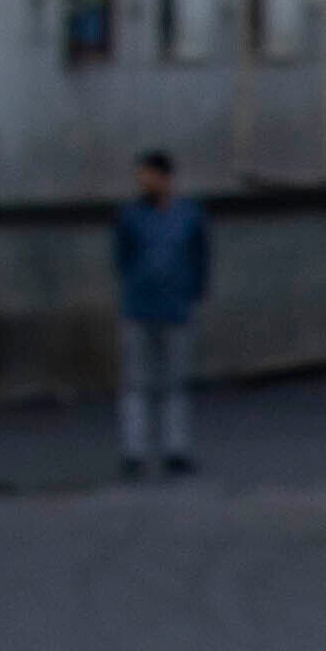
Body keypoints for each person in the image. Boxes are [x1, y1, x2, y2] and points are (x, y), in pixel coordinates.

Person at [110, 152, 211, 480]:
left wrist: (192, 293)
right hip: (139, 308)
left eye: (149, 176)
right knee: (137, 383)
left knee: (174, 383)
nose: (144, 182)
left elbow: (200, 257)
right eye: (142, 176)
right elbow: (122, 259)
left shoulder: (189, 215)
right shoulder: (130, 217)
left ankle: (175, 449)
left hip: (176, 309)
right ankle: (134, 451)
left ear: (165, 178)